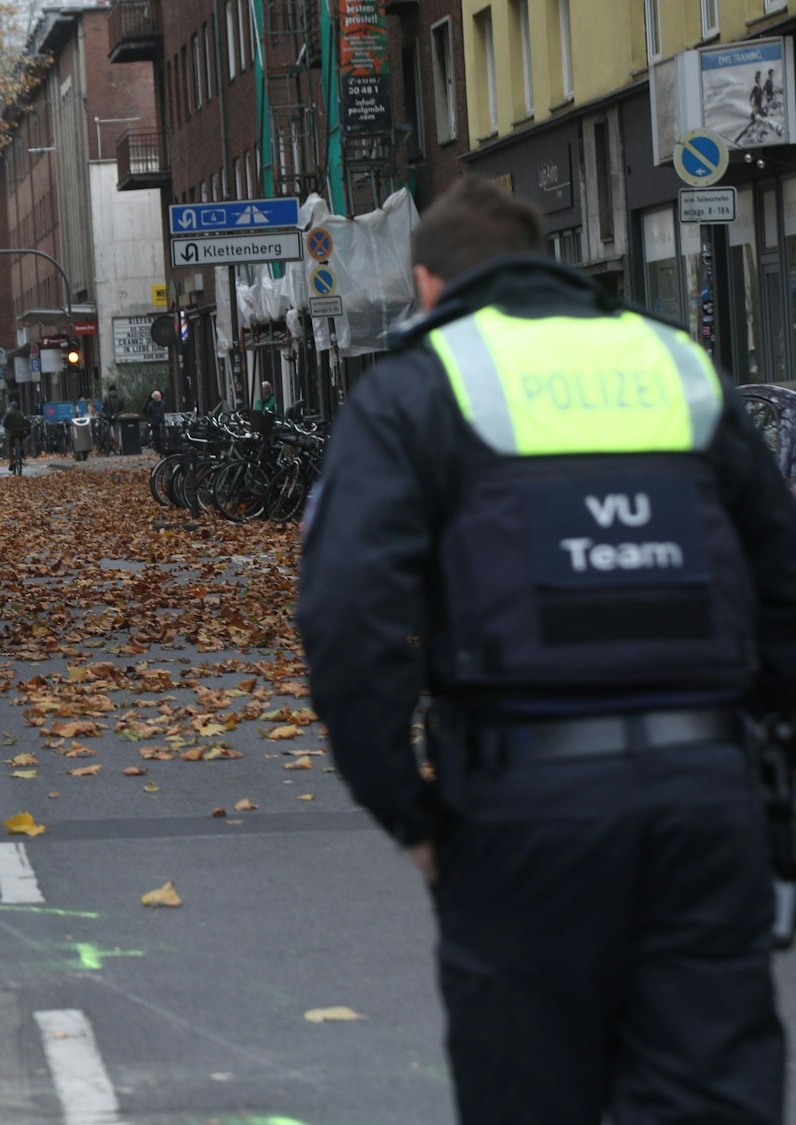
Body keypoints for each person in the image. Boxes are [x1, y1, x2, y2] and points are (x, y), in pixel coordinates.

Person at [297, 177, 794, 1123]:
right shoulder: (678, 366)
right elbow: (781, 589)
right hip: (706, 797)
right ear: (550, 266)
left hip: (523, 810)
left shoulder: (414, 387)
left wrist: (409, 812)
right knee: (712, 1091)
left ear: (427, 284)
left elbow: (347, 618)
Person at [2, 401, 32, 475]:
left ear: (11, 407)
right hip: (20, 432)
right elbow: (25, 423)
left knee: (9, 447)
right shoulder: (21, 414)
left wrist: (7, 428)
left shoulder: (9, 413)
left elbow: (4, 423)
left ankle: (11, 463)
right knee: (21, 442)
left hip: (11, 433)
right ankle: (22, 453)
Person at [142, 389, 167, 454]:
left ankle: (163, 449)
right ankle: (158, 449)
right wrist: (150, 421)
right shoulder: (150, 405)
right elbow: (148, 414)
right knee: (156, 437)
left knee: (163, 436)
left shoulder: (163, 403)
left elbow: (165, 411)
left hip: (162, 422)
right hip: (154, 423)